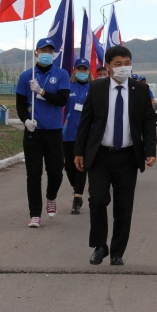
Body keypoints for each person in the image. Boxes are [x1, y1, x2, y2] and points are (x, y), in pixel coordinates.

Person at [74, 46, 157, 266]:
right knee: (98, 200)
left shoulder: (140, 90)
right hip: (100, 155)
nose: (123, 67)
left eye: (127, 63)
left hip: (128, 157)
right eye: (118, 64)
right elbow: (86, 122)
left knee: (123, 206)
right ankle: (100, 246)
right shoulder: (97, 87)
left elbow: (149, 121)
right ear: (108, 67)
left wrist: (150, 150)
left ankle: (118, 251)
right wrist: (79, 151)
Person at [15, 39, 70, 228]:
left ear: (54, 54)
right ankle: (35, 214)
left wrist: (42, 91)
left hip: (54, 130)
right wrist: (25, 120)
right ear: (36, 52)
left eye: (50, 50)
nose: (47, 53)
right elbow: (20, 104)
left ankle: (51, 196)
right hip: (33, 131)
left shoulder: (61, 74)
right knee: (33, 173)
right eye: (43, 50)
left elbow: (62, 100)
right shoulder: (26, 76)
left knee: (56, 172)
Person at [62, 58, 92, 215]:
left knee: (81, 166)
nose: (81, 72)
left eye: (84, 69)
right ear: (74, 71)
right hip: (68, 133)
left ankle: (77, 198)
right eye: (79, 69)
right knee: (68, 166)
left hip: (86, 134)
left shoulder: (93, 88)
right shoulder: (68, 87)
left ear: (88, 71)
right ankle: (76, 188)